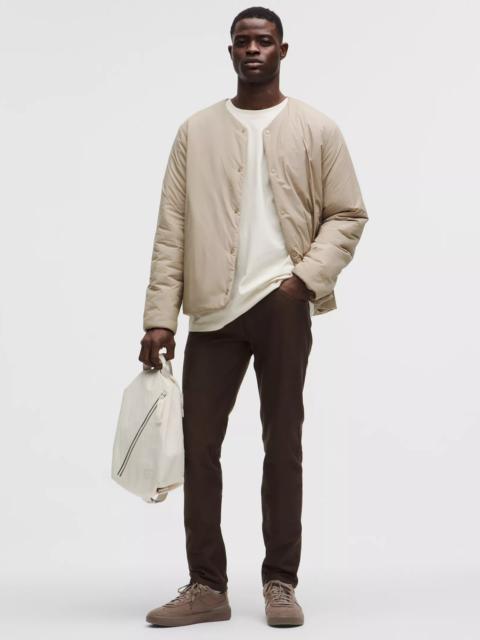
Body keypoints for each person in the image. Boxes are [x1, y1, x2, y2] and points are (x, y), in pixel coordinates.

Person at [139, 6, 368, 628]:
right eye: (242, 41)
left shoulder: (316, 128)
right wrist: (160, 317)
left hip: (282, 305)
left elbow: (348, 214)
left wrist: (304, 281)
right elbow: (172, 228)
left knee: (282, 442)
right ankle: (207, 586)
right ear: (230, 51)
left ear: (282, 50)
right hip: (213, 309)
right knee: (197, 445)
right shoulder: (196, 131)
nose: (253, 49)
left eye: (264, 40)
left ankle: (280, 583)